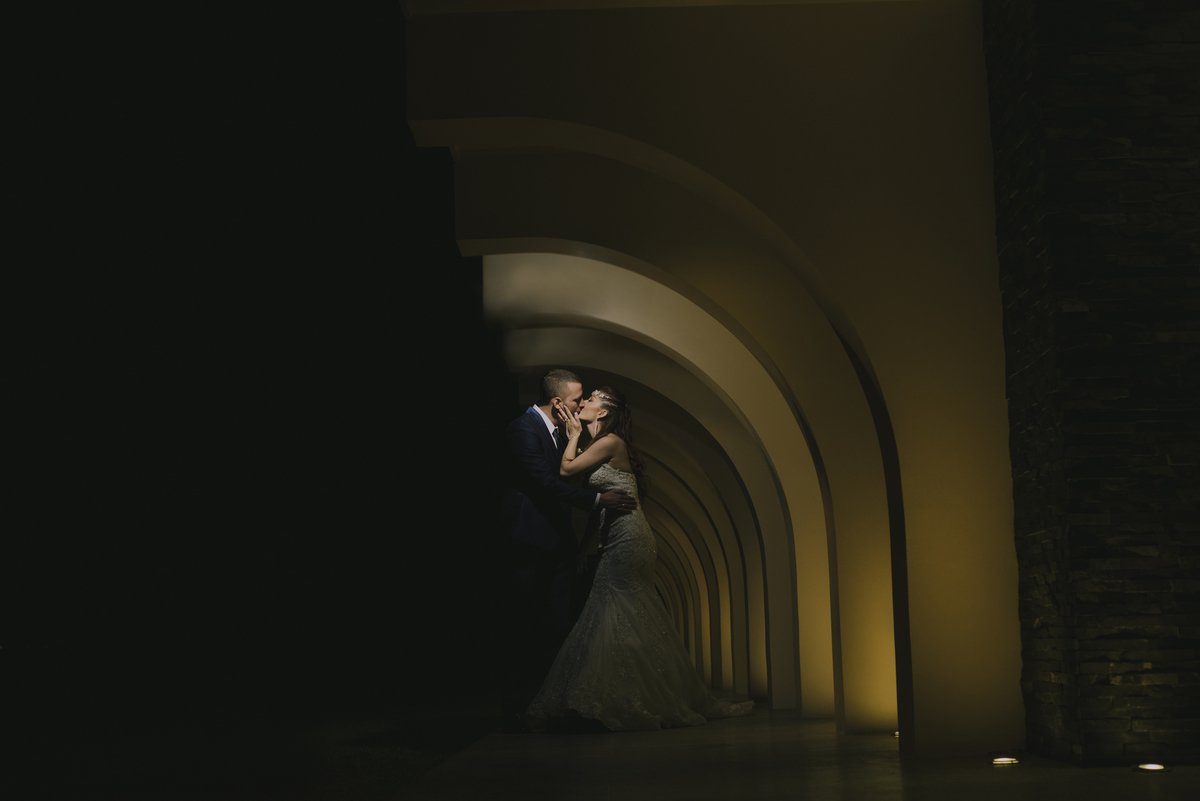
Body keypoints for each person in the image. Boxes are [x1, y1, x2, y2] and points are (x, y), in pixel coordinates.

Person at [527, 386, 754, 731]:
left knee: (617, 611)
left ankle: (633, 696)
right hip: (614, 538)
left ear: (603, 412)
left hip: (630, 538)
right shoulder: (600, 444)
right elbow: (601, 504)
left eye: (590, 399)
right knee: (616, 612)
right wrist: (586, 546)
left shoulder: (610, 442)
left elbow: (566, 471)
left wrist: (572, 435)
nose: (583, 402)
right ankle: (623, 692)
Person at [499, 369, 637, 733]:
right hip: (529, 540)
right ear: (558, 402)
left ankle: (553, 703)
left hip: (556, 541)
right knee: (525, 623)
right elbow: (545, 483)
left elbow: (567, 473)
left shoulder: (562, 432)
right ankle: (519, 707)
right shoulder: (523, 429)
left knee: (558, 623)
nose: (581, 404)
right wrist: (597, 501)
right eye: (578, 399)